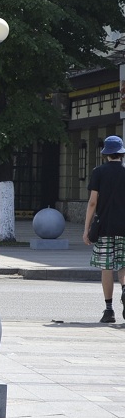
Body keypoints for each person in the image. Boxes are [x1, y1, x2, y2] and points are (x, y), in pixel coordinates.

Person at [83, 135, 125, 323]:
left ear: (106, 154)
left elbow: (93, 202)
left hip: (105, 228)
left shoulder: (98, 172)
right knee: (124, 264)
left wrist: (86, 229)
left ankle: (109, 311)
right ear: (121, 154)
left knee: (106, 267)